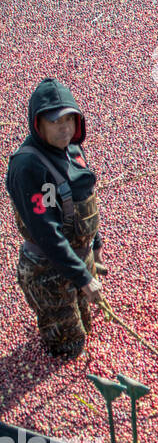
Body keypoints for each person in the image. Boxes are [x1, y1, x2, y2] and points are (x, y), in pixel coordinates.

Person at [5, 77, 104, 357]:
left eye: (70, 121)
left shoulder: (72, 150)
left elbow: (86, 197)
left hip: (78, 256)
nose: (65, 129)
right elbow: (46, 232)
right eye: (56, 122)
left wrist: (95, 248)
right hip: (48, 268)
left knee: (87, 323)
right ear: (38, 124)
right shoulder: (29, 168)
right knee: (67, 342)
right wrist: (83, 277)